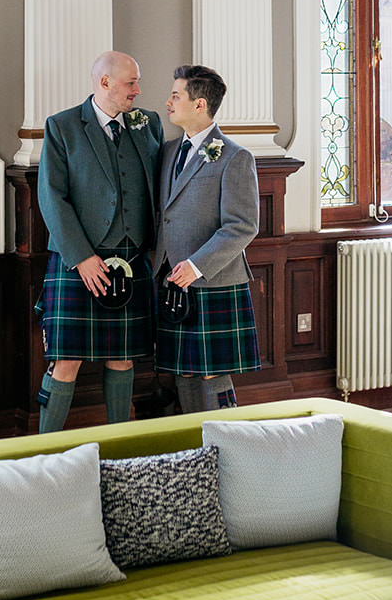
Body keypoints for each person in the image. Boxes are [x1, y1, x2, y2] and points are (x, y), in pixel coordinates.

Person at [35, 50, 164, 431]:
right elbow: (51, 197)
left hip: (132, 255)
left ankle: (117, 446)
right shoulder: (63, 127)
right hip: (79, 260)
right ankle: (42, 451)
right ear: (105, 82)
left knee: (123, 357)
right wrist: (82, 257)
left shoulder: (148, 124)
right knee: (66, 359)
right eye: (131, 83)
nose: (138, 91)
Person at [152, 64, 260, 411]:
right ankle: (193, 448)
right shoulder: (168, 152)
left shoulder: (235, 157)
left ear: (199, 104)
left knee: (214, 372)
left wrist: (196, 266)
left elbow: (242, 225)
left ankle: (227, 445)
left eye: (175, 95)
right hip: (171, 281)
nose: (168, 102)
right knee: (182, 371)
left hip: (213, 280)